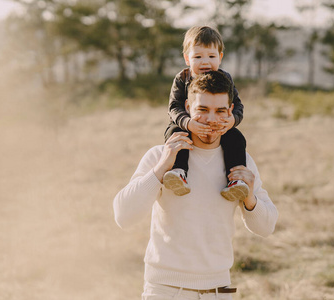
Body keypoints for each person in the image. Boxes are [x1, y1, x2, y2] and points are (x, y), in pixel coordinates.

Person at [113, 71, 278, 300]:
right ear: (188, 107)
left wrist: (250, 199)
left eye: (220, 111)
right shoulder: (160, 156)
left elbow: (267, 227)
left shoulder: (241, 162)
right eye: (202, 110)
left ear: (231, 111)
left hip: (218, 290)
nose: (211, 120)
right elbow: (123, 215)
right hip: (164, 290)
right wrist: (161, 169)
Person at [164, 25, 248, 201]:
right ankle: (178, 172)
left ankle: (236, 181)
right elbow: (173, 107)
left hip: (219, 126)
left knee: (236, 138)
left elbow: (238, 105)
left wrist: (231, 121)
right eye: (198, 56)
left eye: (211, 56)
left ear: (220, 58)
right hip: (187, 123)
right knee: (175, 134)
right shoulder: (182, 78)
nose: (205, 62)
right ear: (187, 58)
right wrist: (188, 123)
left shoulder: (225, 79)